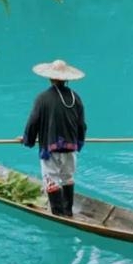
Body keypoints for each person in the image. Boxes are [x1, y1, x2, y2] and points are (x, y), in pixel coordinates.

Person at [22, 59, 87, 217]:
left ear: (49, 77)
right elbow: (82, 125)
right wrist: (78, 142)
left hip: (50, 148)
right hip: (70, 148)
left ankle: (58, 214)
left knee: (51, 179)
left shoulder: (42, 98)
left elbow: (33, 122)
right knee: (67, 177)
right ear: (66, 78)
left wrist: (27, 140)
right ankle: (68, 211)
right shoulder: (75, 97)